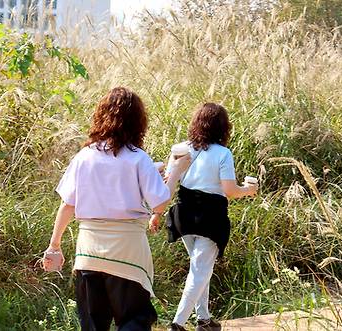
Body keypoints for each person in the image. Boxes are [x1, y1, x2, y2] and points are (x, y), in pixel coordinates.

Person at [42, 87, 191, 331]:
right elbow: (160, 203)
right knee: (135, 319)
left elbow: (67, 205)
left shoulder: (83, 157)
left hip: (88, 252)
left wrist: (54, 246)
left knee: (92, 325)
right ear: (138, 122)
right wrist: (175, 172)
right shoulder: (138, 158)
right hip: (126, 251)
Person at [165, 103, 259, 331]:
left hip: (183, 213)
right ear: (223, 128)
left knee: (199, 268)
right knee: (200, 270)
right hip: (210, 217)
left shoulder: (180, 148)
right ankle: (177, 324)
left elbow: (169, 181)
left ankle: (204, 319)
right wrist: (248, 189)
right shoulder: (223, 153)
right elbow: (229, 190)